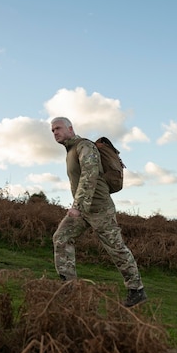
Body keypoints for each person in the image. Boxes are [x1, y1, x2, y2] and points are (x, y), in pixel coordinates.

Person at [50, 117, 147, 308]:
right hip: (84, 210)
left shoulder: (84, 146)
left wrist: (78, 206)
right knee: (61, 237)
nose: (55, 132)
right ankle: (68, 288)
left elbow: (90, 175)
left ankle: (136, 290)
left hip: (100, 209)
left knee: (116, 248)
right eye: (52, 130)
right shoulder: (70, 150)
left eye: (58, 128)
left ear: (70, 128)